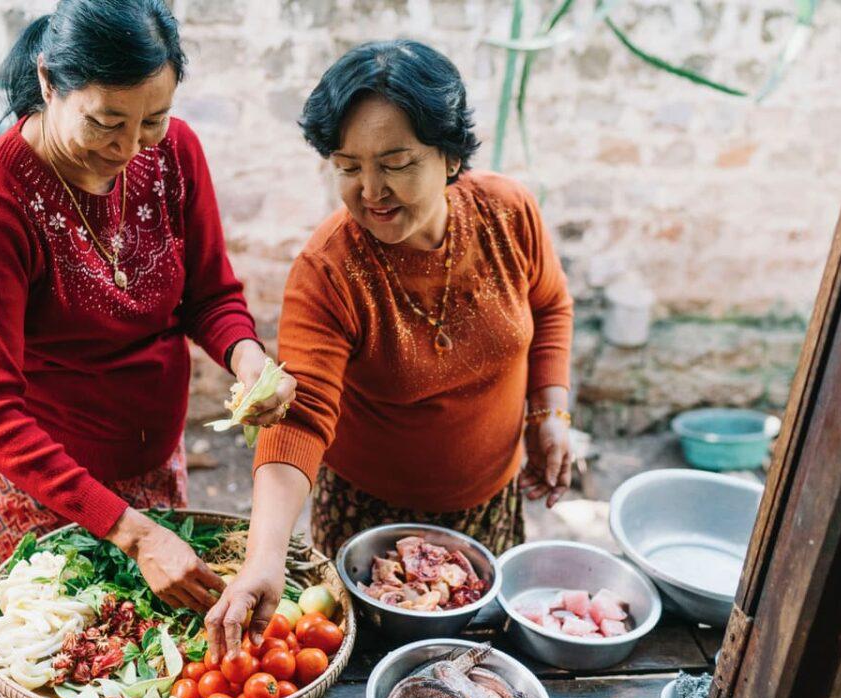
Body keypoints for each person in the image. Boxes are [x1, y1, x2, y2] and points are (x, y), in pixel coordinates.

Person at [206, 40, 575, 655]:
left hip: (494, 503)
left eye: (396, 162)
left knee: (478, 664)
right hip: (370, 524)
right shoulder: (329, 272)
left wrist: (550, 414)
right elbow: (298, 422)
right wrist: (263, 558)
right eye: (348, 166)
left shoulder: (509, 216)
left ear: (449, 153)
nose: (370, 190)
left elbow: (551, 307)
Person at [0, 0, 294, 612]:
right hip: (47, 489)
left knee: (161, 653)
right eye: (106, 122)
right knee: (67, 651)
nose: (131, 147)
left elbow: (210, 294)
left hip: (156, 459)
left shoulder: (175, 153)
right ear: (50, 81)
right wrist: (130, 531)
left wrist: (247, 359)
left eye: (152, 119)